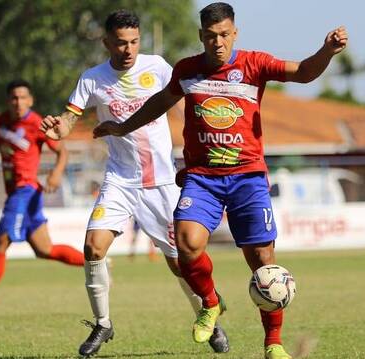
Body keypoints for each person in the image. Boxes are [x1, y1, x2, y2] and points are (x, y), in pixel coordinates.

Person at [90, 3, 348, 358]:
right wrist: (121, 127)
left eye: (224, 35)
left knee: (262, 261)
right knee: (186, 243)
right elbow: (158, 103)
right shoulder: (187, 70)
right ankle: (210, 303)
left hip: (248, 177)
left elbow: (303, 72)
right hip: (203, 178)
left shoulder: (254, 64)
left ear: (235, 33)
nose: (218, 43)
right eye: (210, 36)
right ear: (201, 37)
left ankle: (273, 343)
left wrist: (326, 52)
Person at [40, 10, 229, 357]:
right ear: (106, 42)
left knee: (180, 263)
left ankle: (209, 318)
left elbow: (188, 96)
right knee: (93, 248)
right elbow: (70, 117)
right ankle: (103, 324)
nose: (128, 49)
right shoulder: (92, 79)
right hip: (120, 180)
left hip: (161, 183)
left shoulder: (157, 67)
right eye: (120, 43)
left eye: (134, 42)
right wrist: (59, 128)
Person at [0, 79, 85, 316]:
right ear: (8, 101)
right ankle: (95, 262)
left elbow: (61, 150)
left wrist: (56, 173)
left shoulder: (36, 123)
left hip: (25, 191)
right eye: (14, 98)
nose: (18, 102)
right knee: (44, 249)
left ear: (30, 100)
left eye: (23, 98)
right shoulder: (3, 120)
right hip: (20, 193)